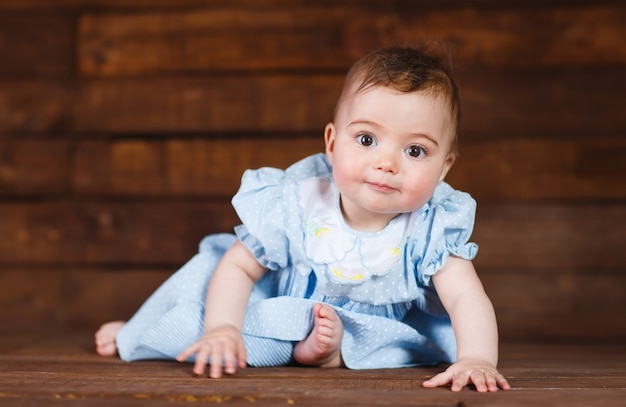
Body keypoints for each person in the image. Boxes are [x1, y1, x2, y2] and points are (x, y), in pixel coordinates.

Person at [95, 46, 511, 393]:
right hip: (281, 307)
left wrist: (477, 358)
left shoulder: (431, 228)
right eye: (366, 139)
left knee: (404, 345)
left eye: (415, 151)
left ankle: (327, 355)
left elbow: (465, 297)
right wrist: (224, 327)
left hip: (367, 332)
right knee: (208, 295)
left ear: (444, 168)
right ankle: (141, 329)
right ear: (332, 143)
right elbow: (240, 266)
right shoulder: (299, 201)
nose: (386, 164)